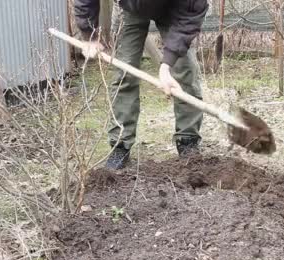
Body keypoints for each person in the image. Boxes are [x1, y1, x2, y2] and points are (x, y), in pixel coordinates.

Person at [74, 0, 209, 169]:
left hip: (174, 11)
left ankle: (188, 141)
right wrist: (90, 35)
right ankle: (120, 145)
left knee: (185, 69)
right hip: (131, 9)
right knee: (125, 72)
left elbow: (190, 18)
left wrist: (166, 66)